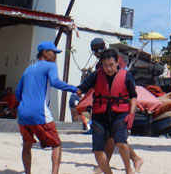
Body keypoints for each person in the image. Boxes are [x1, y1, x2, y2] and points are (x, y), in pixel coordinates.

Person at [15, 41, 77, 174]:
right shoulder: (50, 66)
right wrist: (74, 89)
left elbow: (18, 92)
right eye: (53, 52)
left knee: (27, 145)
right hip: (39, 112)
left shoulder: (28, 69)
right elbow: (55, 82)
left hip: (22, 113)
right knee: (57, 144)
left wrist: (25, 105)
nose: (55, 55)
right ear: (45, 52)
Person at [77, 49, 139, 174]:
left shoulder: (126, 76)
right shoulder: (96, 75)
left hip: (120, 115)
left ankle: (129, 170)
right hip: (100, 117)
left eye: (111, 65)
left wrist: (131, 113)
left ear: (117, 63)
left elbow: (133, 96)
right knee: (98, 150)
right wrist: (78, 94)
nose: (108, 68)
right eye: (105, 65)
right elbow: (80, 89)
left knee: (121, 143)